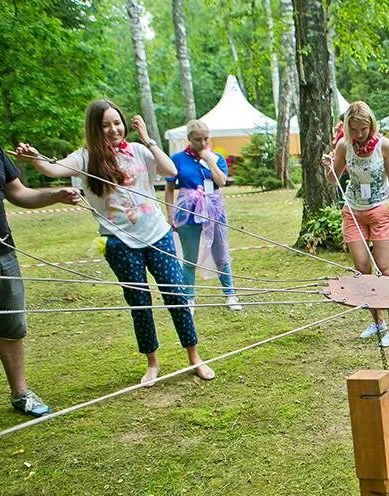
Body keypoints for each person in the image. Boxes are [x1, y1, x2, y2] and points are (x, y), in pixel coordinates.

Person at [17, 100, 215, 384]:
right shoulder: (86, 158)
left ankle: (194, 357)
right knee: (139, 302)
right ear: (96, 128)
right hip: (120, 243)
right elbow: (53, 169)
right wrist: (35, 157)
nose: (113, 129)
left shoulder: (137, 150)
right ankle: (152, 363)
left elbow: (171, 171)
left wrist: (147, 140)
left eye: (117, 123)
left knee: (176, 296)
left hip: (158, 235)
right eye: (106, 125)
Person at [0, 148, 82, 416]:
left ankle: (20, 393)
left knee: (11, 324)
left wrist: (56, 195)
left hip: (2, 252)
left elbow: (18, 193)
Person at [324, 101, 389, 347]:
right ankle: (377, 320)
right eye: (355, 130)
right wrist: (328, 166)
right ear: (348, 128)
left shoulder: (385, 146)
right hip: (353, 211)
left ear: (372, 125)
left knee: (384, 267)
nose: (360, 135)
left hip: (380, 210)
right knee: (362, 268)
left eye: (364, 129)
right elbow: (333, 180)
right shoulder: (343, 146)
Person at [164, 119, 241, 312]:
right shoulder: (177, 159)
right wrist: (169, 213)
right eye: (198, 139)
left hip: (213, 211)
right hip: (188, 212)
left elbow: (221, 181)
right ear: (189, 138)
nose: (203, 143)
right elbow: (170, 188)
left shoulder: (216, 158)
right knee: (190, 257)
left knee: (221, 253)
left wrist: (209, 161)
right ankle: (188, 299)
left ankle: (230, 294)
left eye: (206, 138)